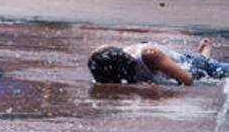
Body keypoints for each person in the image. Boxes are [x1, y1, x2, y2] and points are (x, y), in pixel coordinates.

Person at [88, 38, 229, 86]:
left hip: (190, 65)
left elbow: (188, 79)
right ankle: (204, 52)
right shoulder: (112, 61)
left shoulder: (149, 55)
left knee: (208, 68)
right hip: (170, 63)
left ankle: (204, 54)